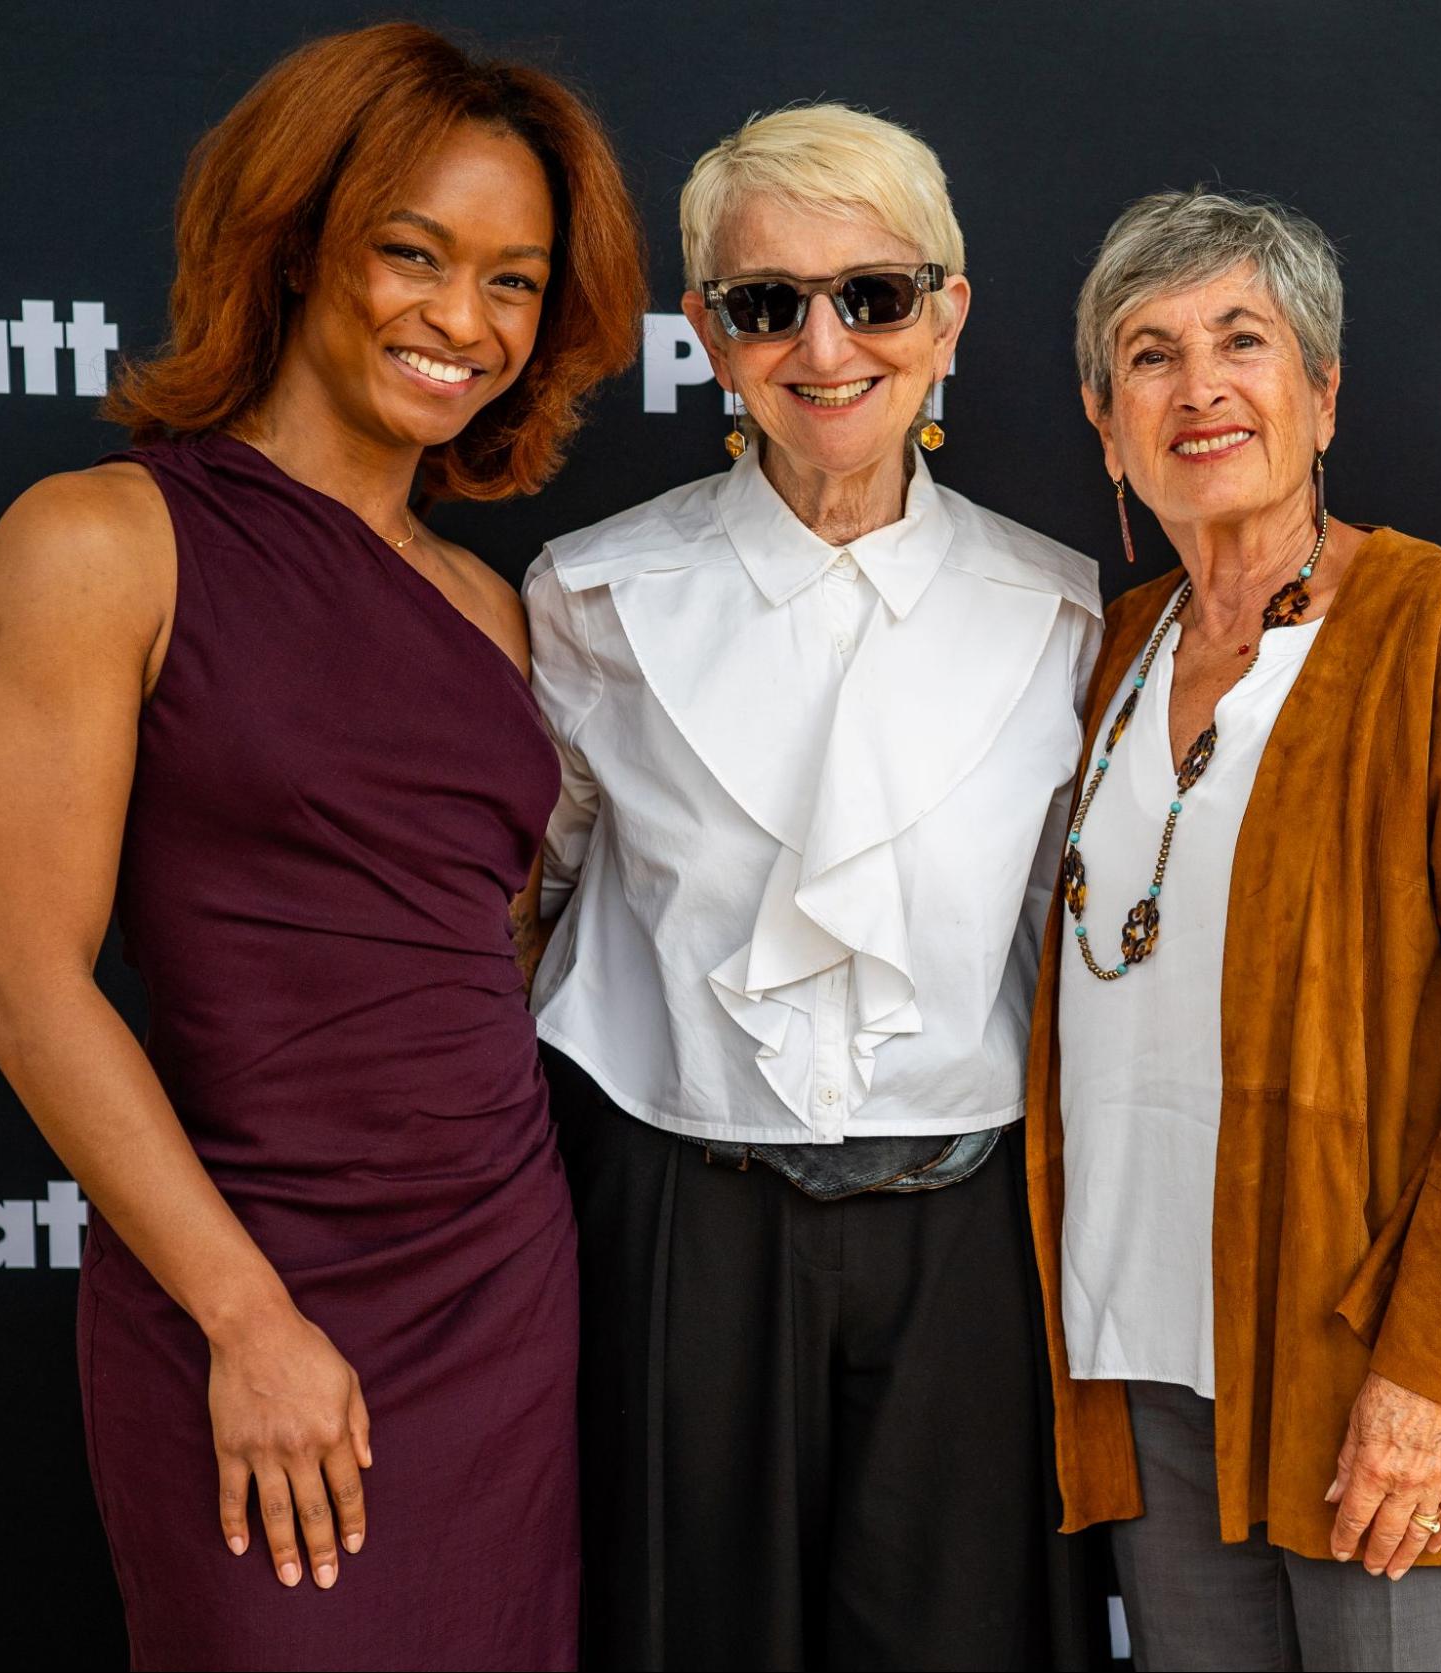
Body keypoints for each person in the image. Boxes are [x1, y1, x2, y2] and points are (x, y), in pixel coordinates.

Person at [0, 24, 643, 1670]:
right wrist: (247, 1317)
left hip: (499, 1281)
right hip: (242, 1276)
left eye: (514, 282)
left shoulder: (493, 609)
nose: (463, 320)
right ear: (295, 243)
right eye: (415, 254)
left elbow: (489, 942)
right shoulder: (99, 543)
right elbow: (28, 989)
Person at [524, 104, 1102, 1671]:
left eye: (876, 295)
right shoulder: (590, 600)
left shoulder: (1061, 614)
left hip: (966, 1246)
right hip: (681, 1229)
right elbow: (525, 902)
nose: (826, 345)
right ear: (710, 333)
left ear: (948, 316)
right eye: (769, 301)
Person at [1026, 186, 1441, 1670]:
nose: (1200, 386)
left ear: (1325, 393)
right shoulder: (1110, 648)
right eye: (1150, 354)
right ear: (1105, 421)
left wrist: (1440, 1375)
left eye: (1244, 340)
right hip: (1154, 1370)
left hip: (1383, 1377)